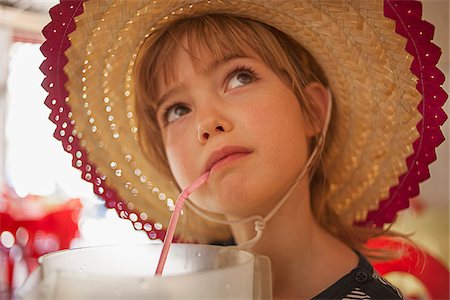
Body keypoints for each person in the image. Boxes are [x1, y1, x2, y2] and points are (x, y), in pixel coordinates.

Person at [41, 0, 447, 299]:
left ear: (313, 112)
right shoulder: (190, 288)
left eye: (239, 78)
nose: (206, 122)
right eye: (177, 109)